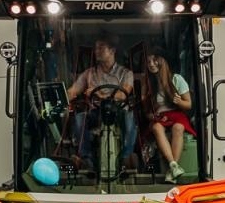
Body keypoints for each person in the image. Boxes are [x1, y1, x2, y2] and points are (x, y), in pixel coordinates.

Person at [65, 35, 135, 170]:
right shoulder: (89, 73)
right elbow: (73, 90)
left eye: (101, 48)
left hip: (118, 112)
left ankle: (126, 157)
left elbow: (122, 95)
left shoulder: (126, 73)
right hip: (96, 113)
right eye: (96, 48)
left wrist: (98, 94)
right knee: (80, 119)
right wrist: (62, 97)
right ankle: (87, 159)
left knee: (130, 117)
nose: (96, 51)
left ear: (112, 51)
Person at [143, 53, 194, 182]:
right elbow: (146, 110)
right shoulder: (149, 83)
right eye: (148, 62)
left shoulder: (176, 79)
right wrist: (150, 115)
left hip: (176, 113)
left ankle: (172, 170)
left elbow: (188, 104)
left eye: (154, 60)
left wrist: (179, 102)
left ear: (163, 61)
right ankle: (174, 166)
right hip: (160, 116)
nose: (151, 64)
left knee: (178, 128)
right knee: (156, 127)